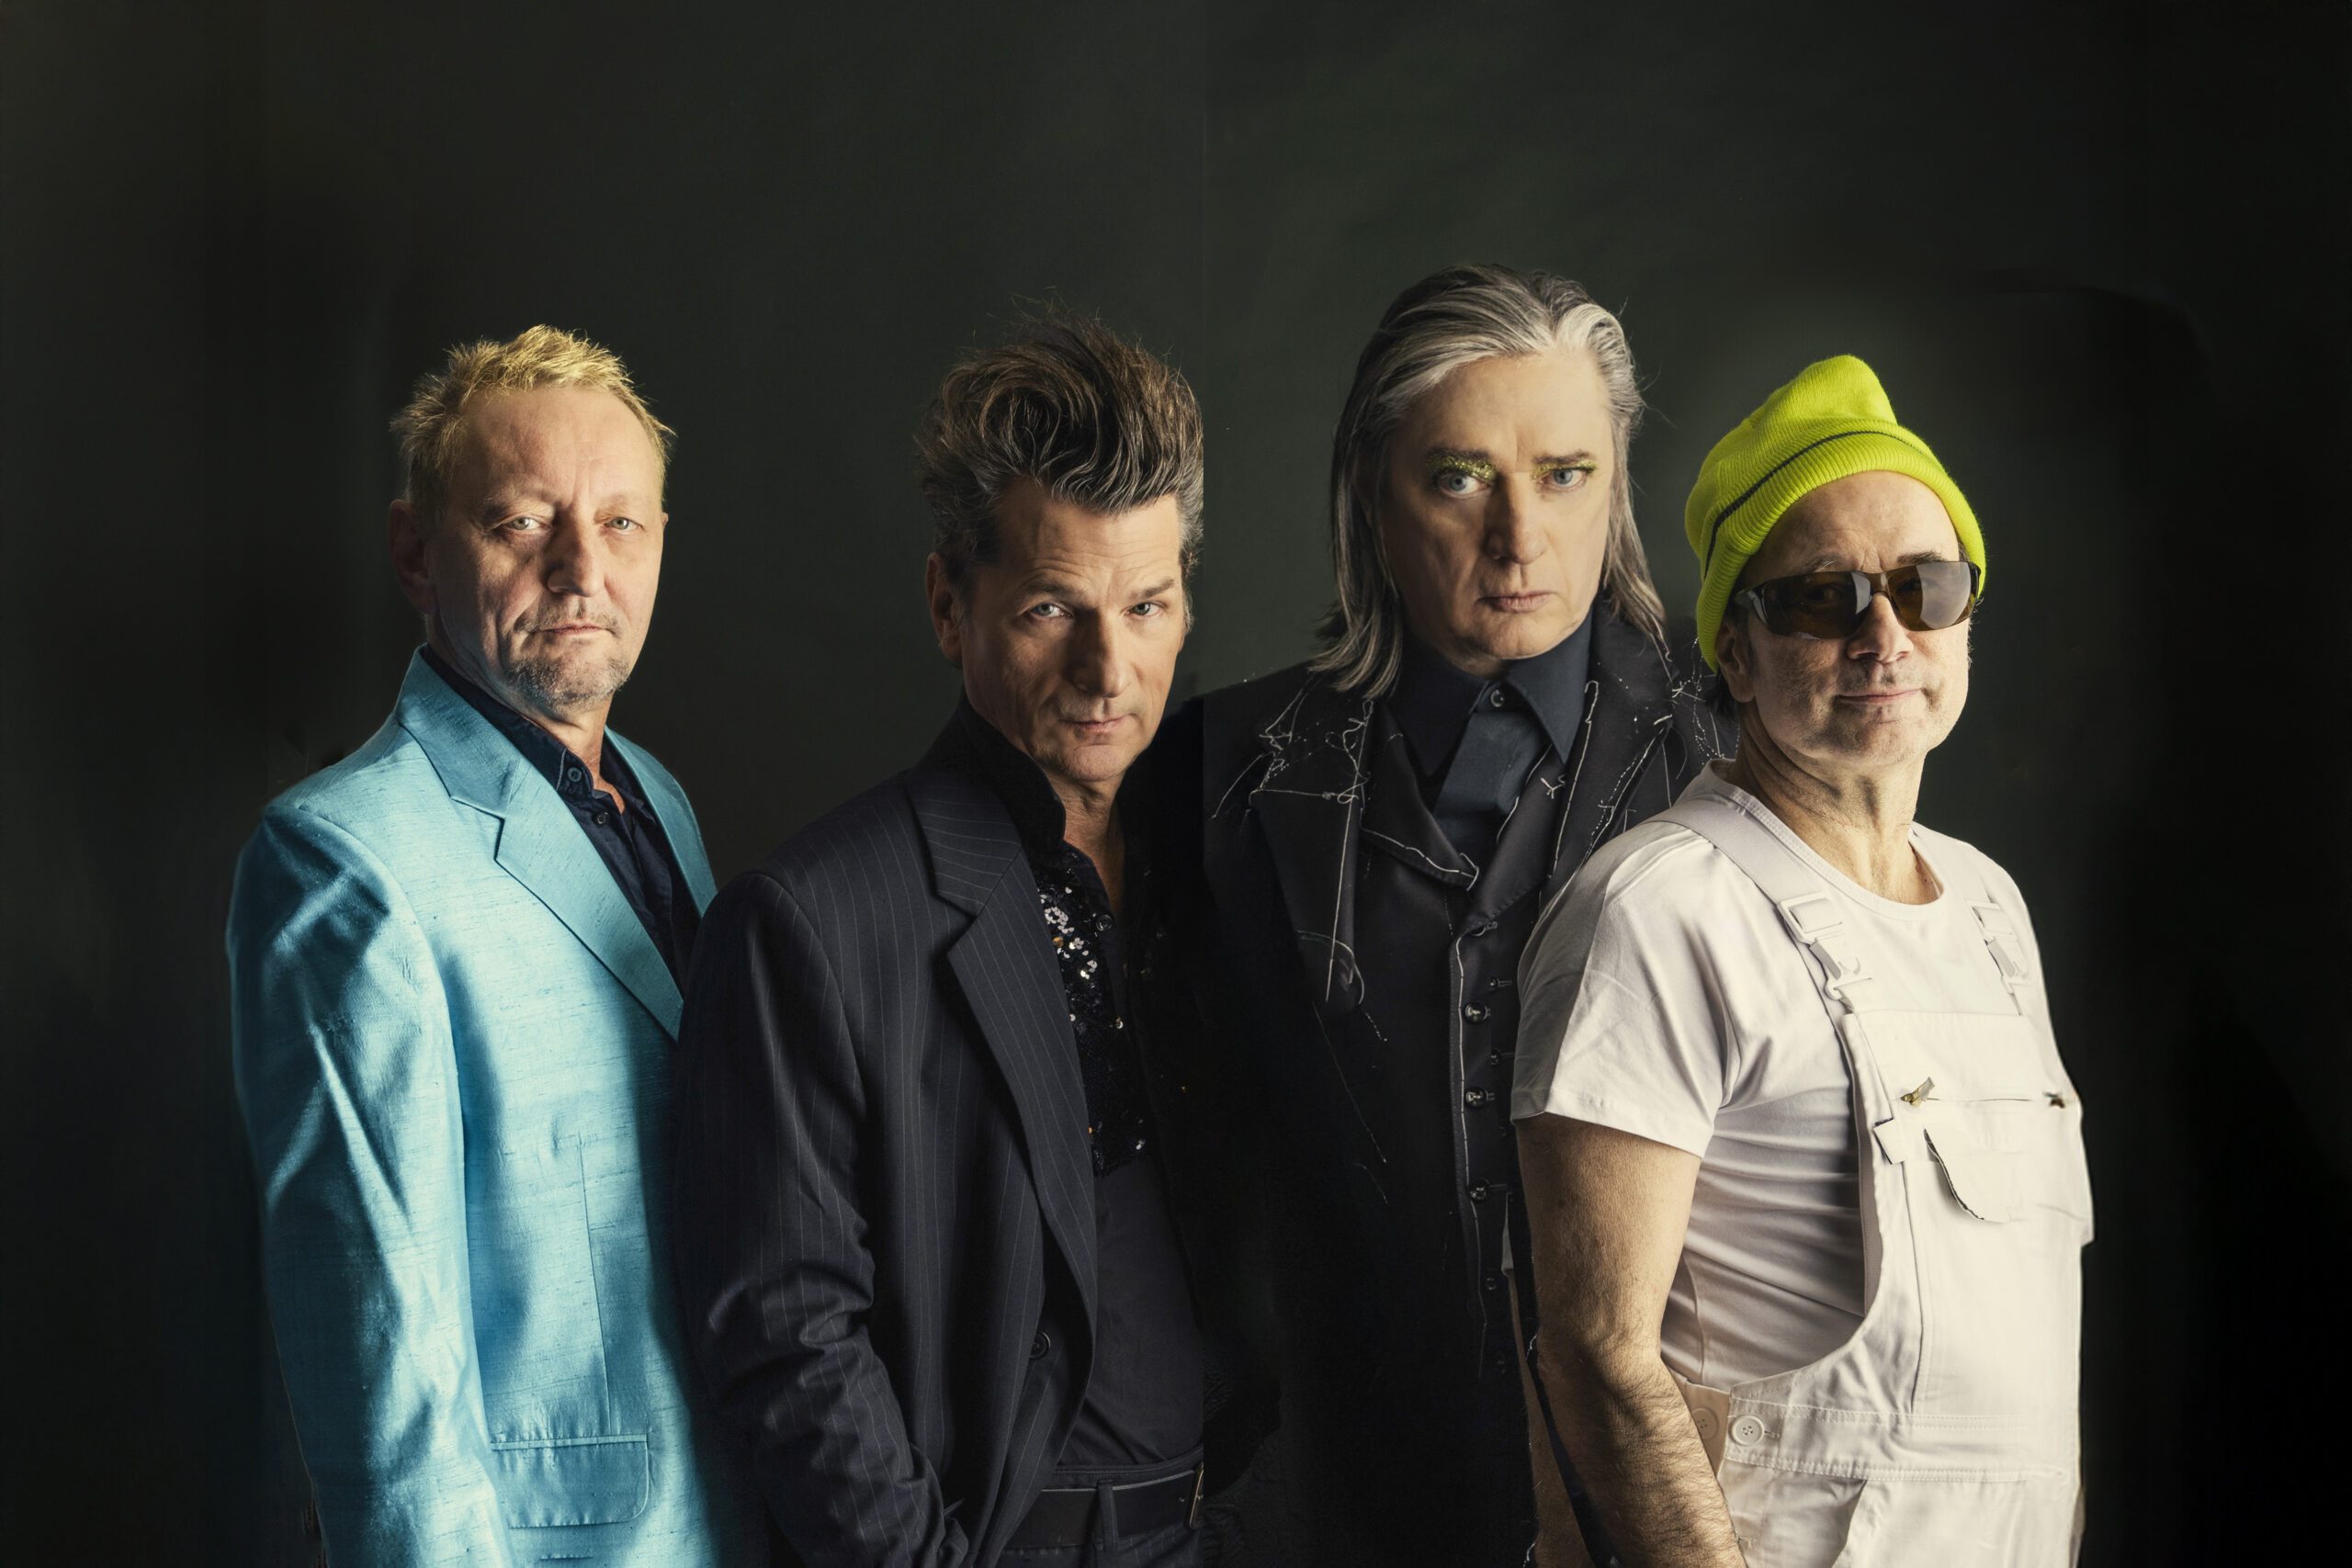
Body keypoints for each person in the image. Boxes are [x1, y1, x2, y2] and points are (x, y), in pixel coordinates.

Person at [673, 314, 1258, 1568]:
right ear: (951, 605)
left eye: (1147, 606)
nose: (1109, 667)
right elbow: (788, 1341)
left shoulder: (1227, 863)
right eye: (1053, 608)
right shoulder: (810, 922)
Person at [1178, 265, 1729, 1568]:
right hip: (1333, 1511)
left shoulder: (1736, 746)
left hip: (1681, 1503)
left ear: (1617, 485)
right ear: (1373, 494)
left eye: (1565, 475)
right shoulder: (1218, 773)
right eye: (1461, 477)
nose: (1519, 536)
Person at [1512, 355, 2091, 1565]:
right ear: (1735, 653)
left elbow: (2031, 1380)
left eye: (1926, 588)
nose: (1886, 636)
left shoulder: (1992, 908)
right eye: (1823, 598)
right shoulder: (1659, 911)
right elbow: (1596, 1357)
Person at [227, 326, 762, 1566]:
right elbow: (383, 1371)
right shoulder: (341, 862)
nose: (582, 568)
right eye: (523, 522)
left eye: (621, 524)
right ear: (417, 552)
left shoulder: (658, 800)